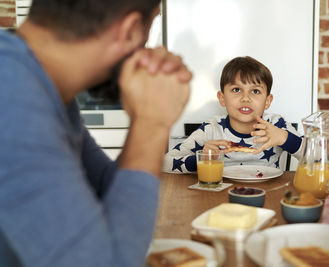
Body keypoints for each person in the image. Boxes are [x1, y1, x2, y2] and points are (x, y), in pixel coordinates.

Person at [0, 0, 191, 266]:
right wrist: (152, 123)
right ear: (131, 30)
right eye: (153, 21)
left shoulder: (36, 81)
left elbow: (104, 189)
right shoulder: (12, 97)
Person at [163, 56, 302, 173]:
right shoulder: (212, 129)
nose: (245, 98)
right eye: (236, 90)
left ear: (267, 101)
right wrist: (201, 160)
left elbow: (319, 158)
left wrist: (285, 138)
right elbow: (164, 163)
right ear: (222, 98)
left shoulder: (277, 125)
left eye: (255, 91)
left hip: (267, 196)